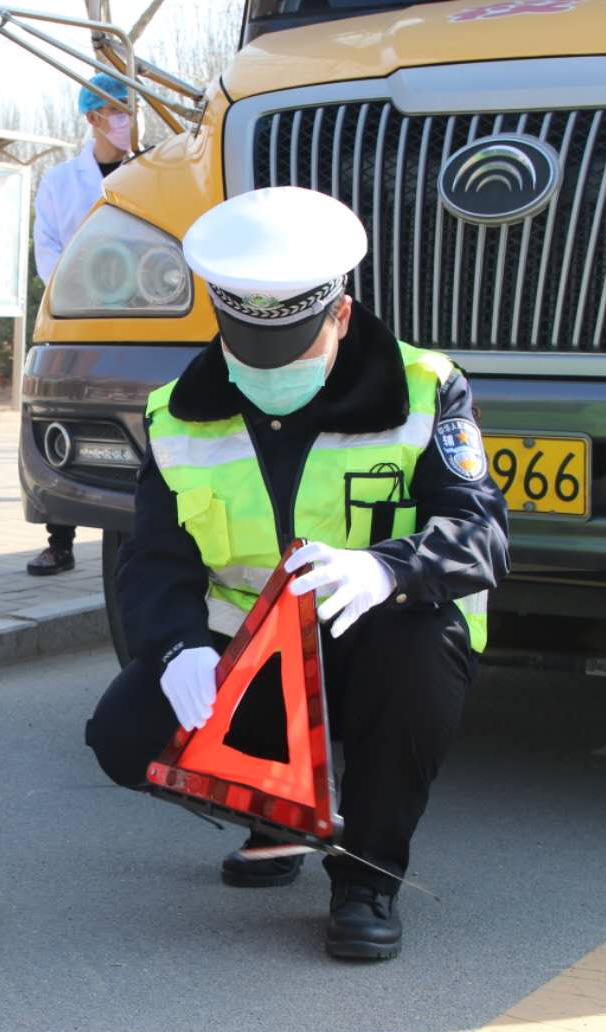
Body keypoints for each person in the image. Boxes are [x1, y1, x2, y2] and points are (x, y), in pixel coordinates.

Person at [83, 187, 508, 961]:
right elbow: (152, 560)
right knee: (124, 731)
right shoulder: (177, 413)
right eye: (250, 352)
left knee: (416, 651)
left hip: (380, 641)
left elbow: (481, 532)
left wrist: (389, 569)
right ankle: (284, 824)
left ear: (340, 315)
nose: (269, 373)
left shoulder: (426, 388)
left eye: (292, 350)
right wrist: (178, 648)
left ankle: (366, 876)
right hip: (250, 657)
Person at [25, 72, 135, 577]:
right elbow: (46, 246)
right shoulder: (60, 181)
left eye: (129, 108)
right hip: (78, 313)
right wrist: (75, 285)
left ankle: (141, 535)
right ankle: (60, 540)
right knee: (63, 415)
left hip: (140, 315)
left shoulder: (152, 170)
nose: (126, 118)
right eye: (116, 110)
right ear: (92, 117)